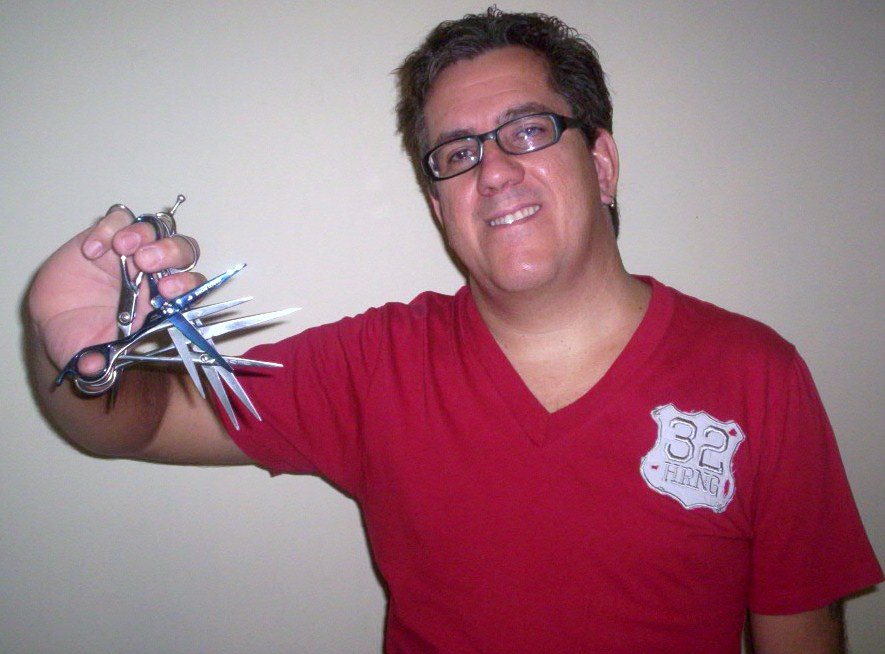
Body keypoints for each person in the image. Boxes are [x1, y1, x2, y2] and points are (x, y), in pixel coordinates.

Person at [24, 7, 881, 654]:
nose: (494, 170)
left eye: (528, 130)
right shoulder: (374, 366)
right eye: (458, 153)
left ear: (601, 163)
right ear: (440, 206)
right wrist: (79, 348)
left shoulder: (755, 374)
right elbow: (135, 424)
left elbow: (800, 634)